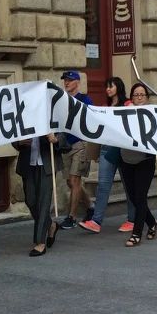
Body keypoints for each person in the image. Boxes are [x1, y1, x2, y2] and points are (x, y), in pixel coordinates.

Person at [80, 77, 135, 233]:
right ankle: (96, 221)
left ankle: (132, 220)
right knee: (103, 185)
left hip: (124, 150)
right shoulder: (105, 107)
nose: (108, 89)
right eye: (107, 87)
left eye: (111, 86)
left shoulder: (128, 105)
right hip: (107, 149)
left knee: (129, 186)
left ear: (118, 87)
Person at [14, 129, 68, 257]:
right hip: (28, 163)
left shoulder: (51, 114)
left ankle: (40, 242)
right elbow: (12, 135)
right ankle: (51, 225)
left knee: (43, 202)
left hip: (47, 164)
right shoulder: (24, 113)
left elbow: (63, 136)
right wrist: (18, 143)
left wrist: (55, 139)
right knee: (30, 200)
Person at [121, 83, 157, 246]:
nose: (139, 97)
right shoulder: (123, 114)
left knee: (140, 196)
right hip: (127, 159)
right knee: (134, 197)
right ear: (131, 98)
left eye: (142, 94)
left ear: (147, 97)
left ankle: (136, 233)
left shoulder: (154, 114)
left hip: (145, 160)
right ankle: (152, 222)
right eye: (136, 95)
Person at [58, 70, 93, 229]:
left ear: (77, 82)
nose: (67, 83)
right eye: (65, 80)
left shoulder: (85, 100)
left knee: (74, 180)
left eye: (70, 80)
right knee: (70, 182)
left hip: (80, 143)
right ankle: (91, 207)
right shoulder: (61, 101)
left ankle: (71, 217)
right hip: (66, 145)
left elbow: (91, 119)